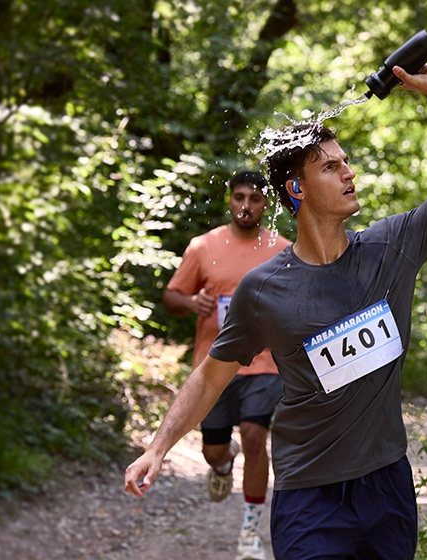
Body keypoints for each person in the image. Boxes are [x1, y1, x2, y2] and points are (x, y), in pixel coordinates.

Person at [125, 62, 427, 559]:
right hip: (310, 496)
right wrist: (158, 446)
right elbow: (211, 376)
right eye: (330, 166)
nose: (348, 172)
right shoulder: (262, 289)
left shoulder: (393, 247)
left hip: (387, 486)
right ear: (296, 189)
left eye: (346, 161)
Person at [161, 170, 290, 560]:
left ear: (266, 203)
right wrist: (189, 303)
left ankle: (251, 531)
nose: (246, 205)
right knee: (214, 451)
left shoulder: (283, 250)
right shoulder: (204, 246)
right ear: (229, 200)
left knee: (255, 435)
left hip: (265, 364)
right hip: (214, 365)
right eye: (239, 197)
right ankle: (222, 464)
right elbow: (171, 296)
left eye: (254, 198)